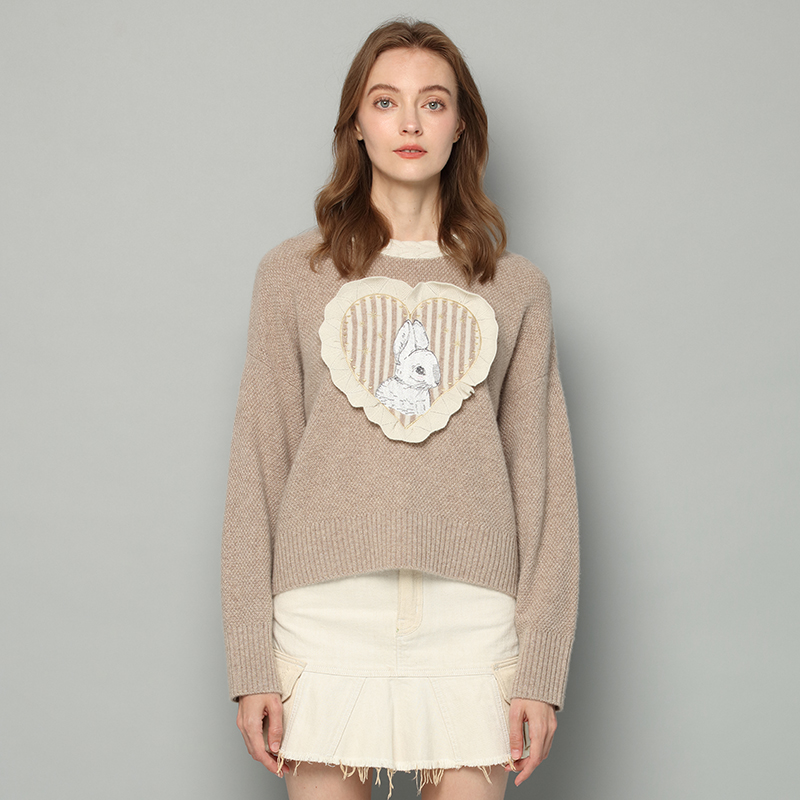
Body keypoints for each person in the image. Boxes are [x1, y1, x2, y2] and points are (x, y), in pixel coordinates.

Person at [221, 18, 579, 800]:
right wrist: (251, 662)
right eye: (385, 101)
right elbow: (258, 467)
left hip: (473, 620)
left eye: (433, 103)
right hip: (324, 616)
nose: (410, 123)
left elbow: (544, 487)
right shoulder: (291, 275)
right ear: (356, 124)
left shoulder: (516, 287)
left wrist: (541, 669)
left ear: (461, 126)